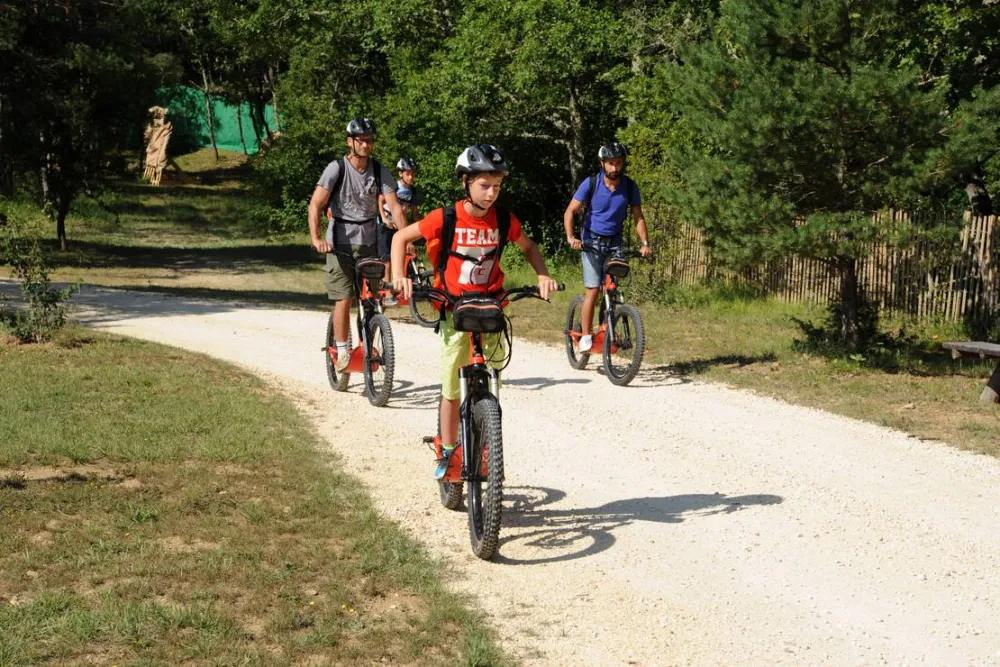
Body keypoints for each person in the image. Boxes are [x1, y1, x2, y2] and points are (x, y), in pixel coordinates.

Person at [391, 144, 559, 479]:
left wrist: (542, 274)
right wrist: (399, 276)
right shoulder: (446, 217)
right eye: (485, 185)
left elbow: (528, 246)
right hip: (455, 310)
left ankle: (488, 444)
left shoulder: (503, 219)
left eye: (497, 186)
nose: (492, 193)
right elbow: (400, 238)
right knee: (452, 387)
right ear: (466, 182)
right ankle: (450, 449)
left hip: (493, 308)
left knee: (493, 377)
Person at [308, 117, 408, 372]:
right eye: (361, 139)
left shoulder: (379, 170)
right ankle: (342, 350)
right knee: (343, 298)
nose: (365, 144)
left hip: (369, 243)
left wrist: (405, 237)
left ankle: (368, 346)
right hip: (339, 243)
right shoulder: (336, 168)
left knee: (372, 299)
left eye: (369, 140)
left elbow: (395, 207)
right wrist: (317, 239)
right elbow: (316, 204)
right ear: (350, 141)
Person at [563, 141, 652, 352]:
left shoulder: (629, 187)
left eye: (618, 163)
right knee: (593, 291)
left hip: (615, 242)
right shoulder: (591, 183)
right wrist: (571, 237)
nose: (615, 168)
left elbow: (638, 217)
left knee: (611, 287)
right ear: (602, 163)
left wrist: (645, 243)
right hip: (591, 241)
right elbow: (570, 212)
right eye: (610, 163)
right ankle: (585, 335)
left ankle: (607, 325)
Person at [377, 156, 423, 304]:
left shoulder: (413, 192)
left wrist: (423, 226)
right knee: (388, 260)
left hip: (401, 226)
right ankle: (388, 293)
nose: (411, 176)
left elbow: (414, 214)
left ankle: (402, 287)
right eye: (408, 173)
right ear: (400, 174)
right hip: (386, 225)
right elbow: (380, 200)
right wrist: (384, 218)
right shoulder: (394, 187)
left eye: (413, 173)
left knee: (402, 255)